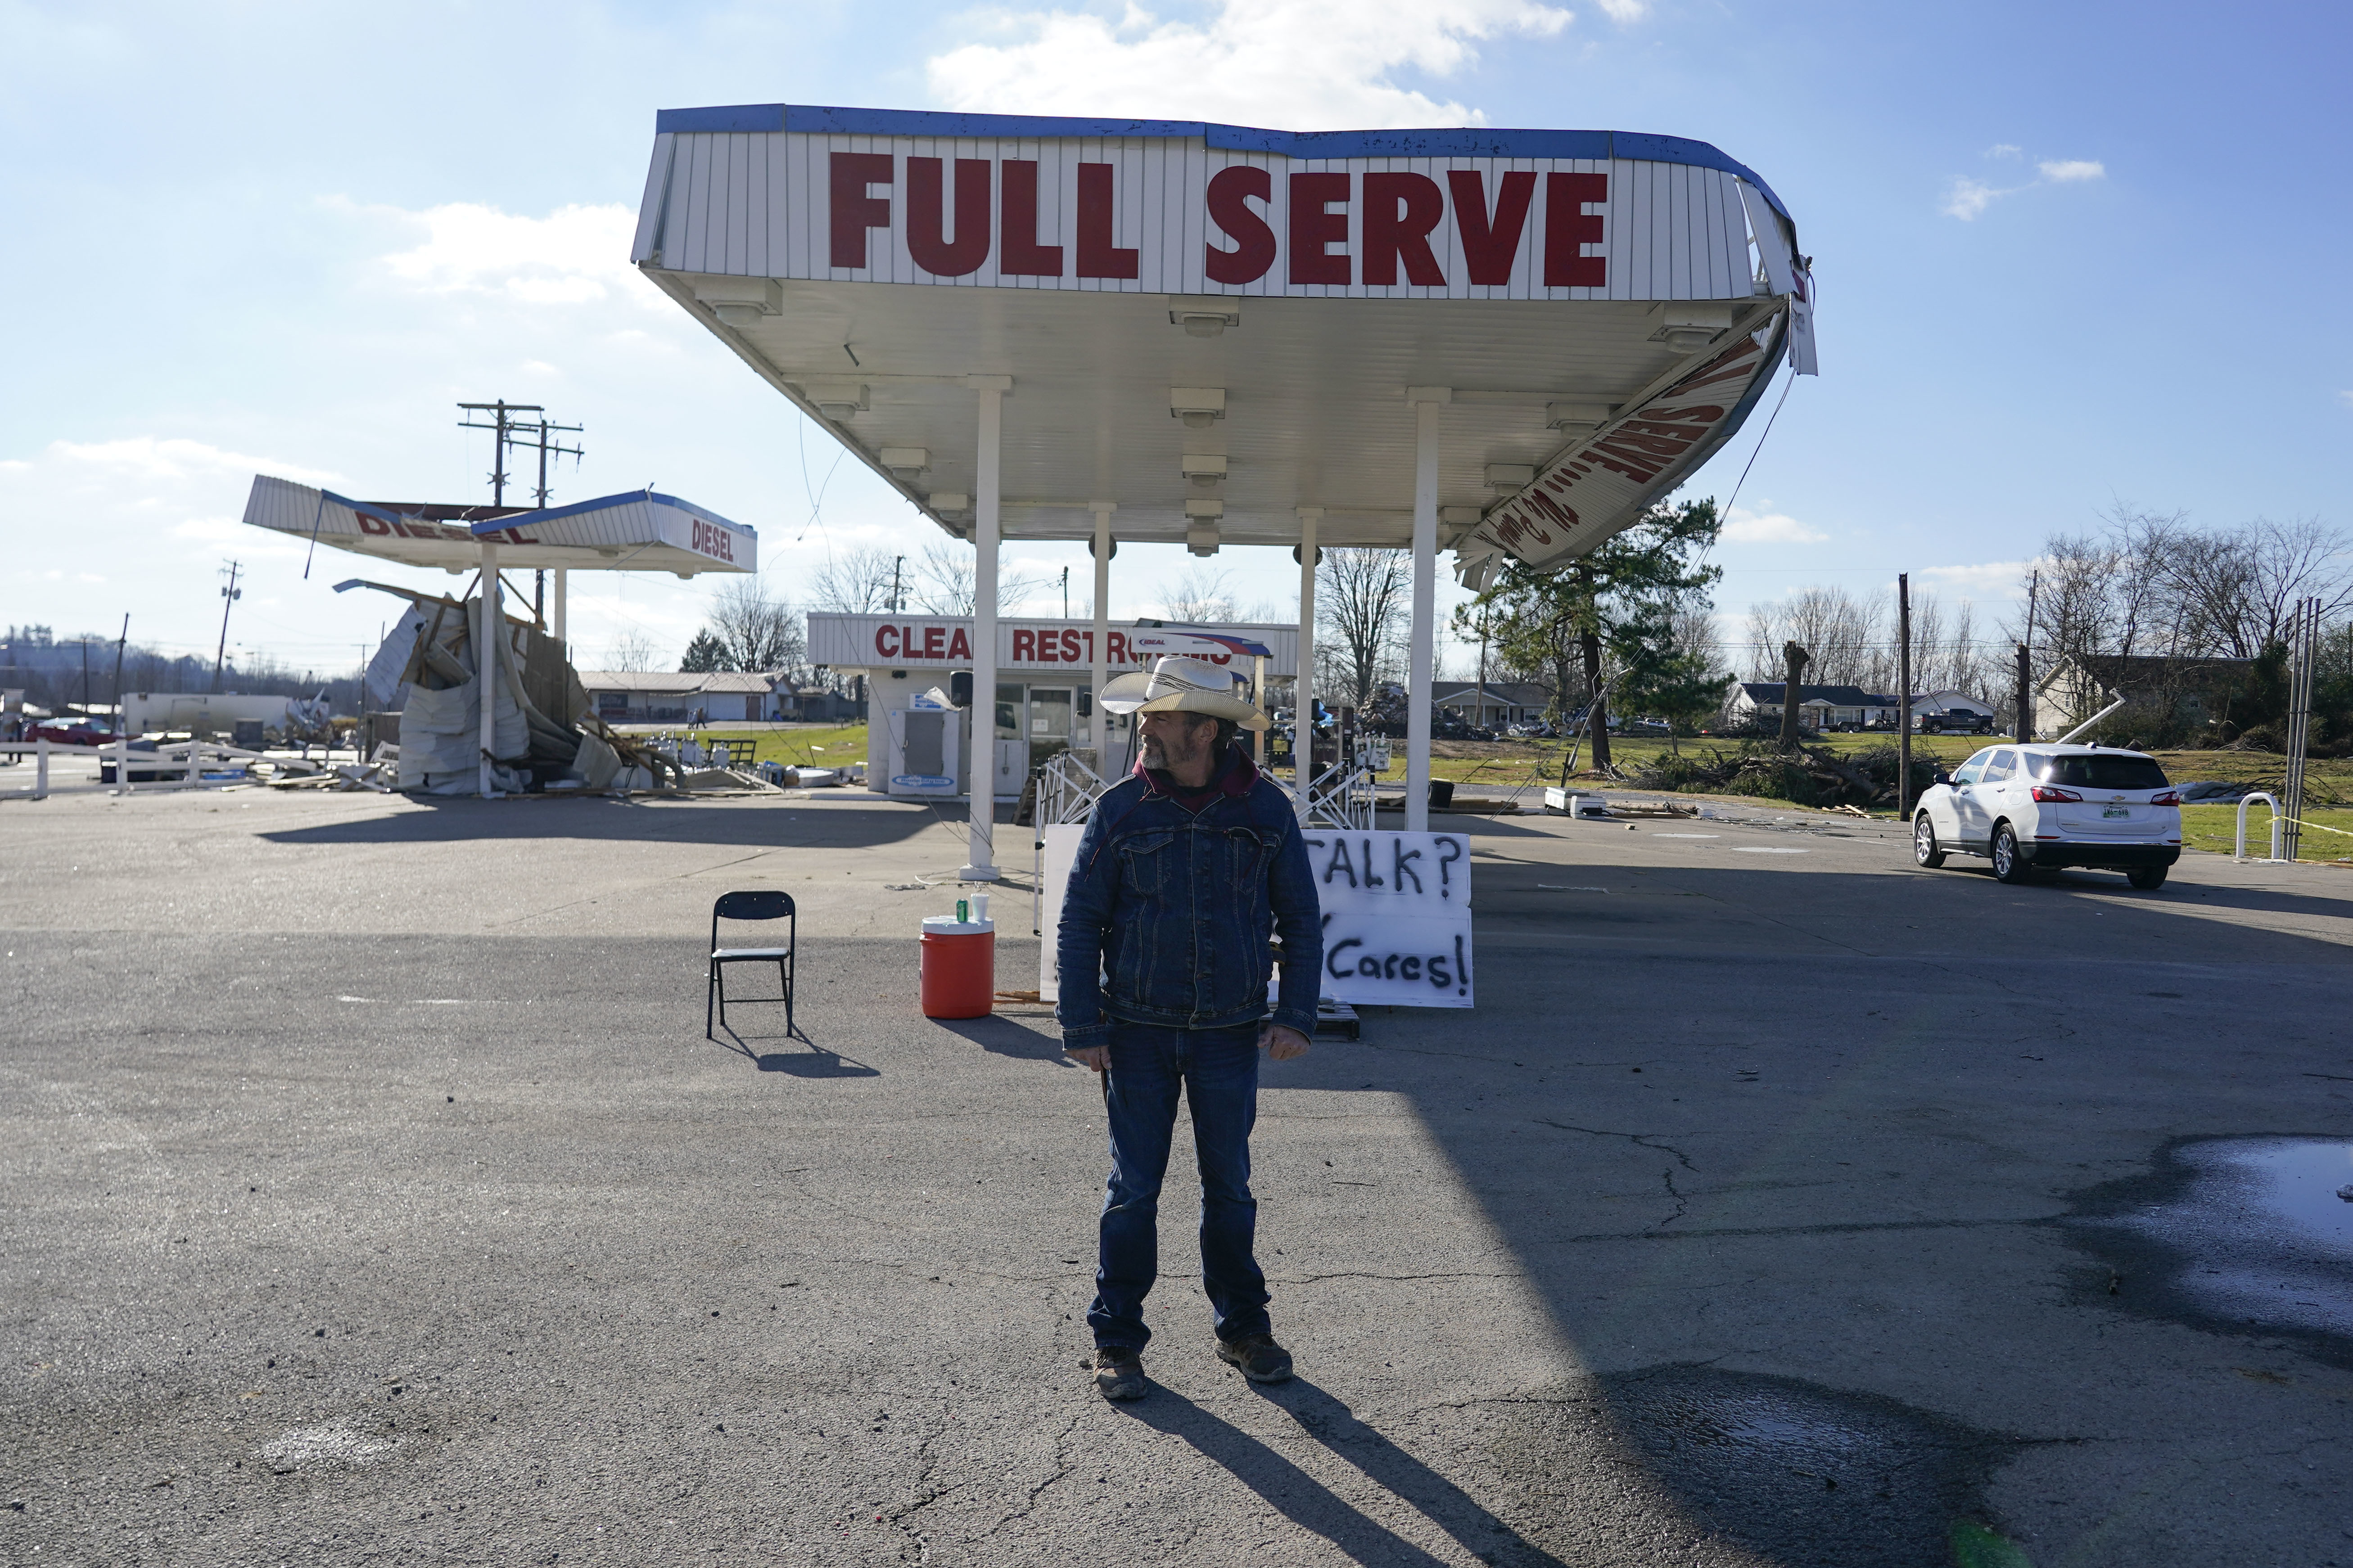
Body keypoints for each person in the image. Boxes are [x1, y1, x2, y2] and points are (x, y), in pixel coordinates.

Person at [1057, 657, 1322, 1402]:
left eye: (1159, 716)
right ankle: (1117, 1342)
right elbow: (1081, 923)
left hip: (1230, 1034)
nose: (1145, 728)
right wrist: (1082, 1024)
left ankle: (1244, 1329)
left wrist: (1296, 1013)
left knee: (1229, 1187)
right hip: (1135, 1030)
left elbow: (1300, 918)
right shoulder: (1120, 810)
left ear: (1205, 731)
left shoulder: (1266, 811)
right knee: (1132, 1191)